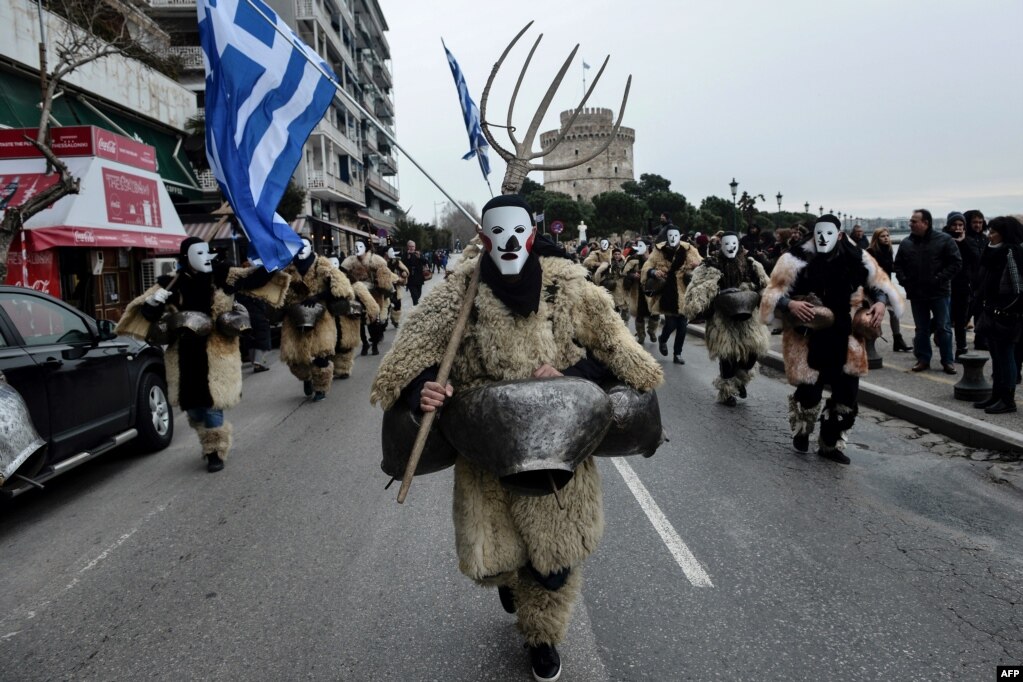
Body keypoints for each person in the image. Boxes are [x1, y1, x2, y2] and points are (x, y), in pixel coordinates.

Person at [370, 195, 662, 682]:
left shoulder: (567, 286)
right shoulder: (457, 292)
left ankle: (543, 637)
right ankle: (511, 582)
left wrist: (571, 371)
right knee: (497, 558)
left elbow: (617, 352)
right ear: (483, 239)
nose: (507, 241)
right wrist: (426, 388)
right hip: (486, 447)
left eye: (517, 231)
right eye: (496, 233)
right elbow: (409, 357)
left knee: (554, 561)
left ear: (530, 235)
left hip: (558, 446)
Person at [117, 237, 288, 472]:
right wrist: (154, 303)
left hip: (217, 351)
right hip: (186, 354)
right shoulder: (171, 284)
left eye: (207, 252)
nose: (205, 257)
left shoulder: (223, 275)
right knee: (194, 408)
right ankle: (207, 436)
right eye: (199, 253)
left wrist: (272, 262)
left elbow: (254, 278)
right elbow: (148, 316)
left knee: (212, 404)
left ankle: (215, 450)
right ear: (186, 258)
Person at [760, 215, 904, 465]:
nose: (823, 238)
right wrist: (790, 303)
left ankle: (830, 443)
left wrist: (880, 302)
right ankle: (802, 430)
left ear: (839, 235)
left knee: (847, 394)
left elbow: (877, 284)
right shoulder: (794, 260)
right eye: (819, 233)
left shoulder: (858, 258)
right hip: (807, 336)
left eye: (830, 234)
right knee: (810, 393)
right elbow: (772, 294)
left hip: (846, 336)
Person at [682, 232, 770, 406]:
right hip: (722, 317)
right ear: (720, 245)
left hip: (748, 317)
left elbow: (765, 286)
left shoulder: (751, 265)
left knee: (751, 353)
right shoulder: (710, 265)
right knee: (727, 354)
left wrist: (755, 293)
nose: (730, 247)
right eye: (726, 243)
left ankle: (739, 381)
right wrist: (711, 292)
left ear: (738, 245)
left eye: (733, 243)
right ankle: (727, 392)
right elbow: (695, 290)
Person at [280, 238, 355, 401]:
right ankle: (307, 377)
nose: (300, 249)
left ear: (311, 247)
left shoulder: (322, 264)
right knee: (295, 358)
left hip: (321, 316)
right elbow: (280, 293)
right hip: (295, 318)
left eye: (304, 246)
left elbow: (341, 286)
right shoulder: (288, 268)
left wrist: (318, 296)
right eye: (297, 246)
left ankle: (321, 387)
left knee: (321, 354)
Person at [894, 209, 963, 374]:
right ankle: (923, 359)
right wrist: (905, 282)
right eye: (910, 221)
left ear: (925, 223)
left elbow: (955, 263)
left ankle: (947, 361)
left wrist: (939, 278)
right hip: (917, 294)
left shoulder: (944, 240)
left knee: (944, 327)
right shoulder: (906, 243)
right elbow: (898, 265)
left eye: (913, 221)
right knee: (921, 329)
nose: (910, 224)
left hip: (939, 293)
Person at [971, 216, 1023, 414]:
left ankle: (1007, 399)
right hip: (991, 311)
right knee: (997, 357)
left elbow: (1018, 288)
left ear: (1004, 233)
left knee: (1007, 357)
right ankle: (996, 394)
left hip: (1006, 314)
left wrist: (1007, 309)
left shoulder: (1011, 252)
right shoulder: (993, 251)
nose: (989, 235)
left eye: (992, 232)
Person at [642, 225, 703, 365]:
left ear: (679, 235)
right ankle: (663, 339)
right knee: (670, 324)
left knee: (682, 325)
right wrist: (653, 272)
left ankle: (677, 353)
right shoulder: (659, 249)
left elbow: (701, 262)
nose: (673, 238)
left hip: (684, 290)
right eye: (671, 236)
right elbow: (648, 265)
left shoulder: (688, 248)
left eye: (676, 235)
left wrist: (697, 265)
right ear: (667, 237)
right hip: (668, 289)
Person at [342, 239, 394, 355]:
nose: (357, 249)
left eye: (360, 246)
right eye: (355, 246)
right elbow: (343, 272)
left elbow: (384, 271)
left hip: (373, 294)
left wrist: (380, 281)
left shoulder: (374, 259)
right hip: (357, 293)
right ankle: (365, 343)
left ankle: (374, 344)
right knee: (359, 320)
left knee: (373, 320)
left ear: (366, 248)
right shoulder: (350, 261)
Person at [867, 228, 911, 352]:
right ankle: (870, 344)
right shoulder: (871, 251)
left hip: (887, 285)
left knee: (894, 312)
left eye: (887, 235)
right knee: (875, 316)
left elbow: (889, 266)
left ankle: (897, 340)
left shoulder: (888, 249)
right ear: (876, 238)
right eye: (882, 236)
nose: (886, 238)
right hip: (875, 287)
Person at [944, 212, 978, 358]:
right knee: (945, 318)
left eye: (960, 225)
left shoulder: (968, 241)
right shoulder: (943, 240)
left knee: (961, 319)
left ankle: (961, 348)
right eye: (955, 225)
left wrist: (963, 242)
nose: (957, 228)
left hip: (963, 285)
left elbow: (975, 260)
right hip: (946, 285)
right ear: (949, 225)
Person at [623, 239, 659, 345]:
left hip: (651, 290)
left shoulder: (655, 259)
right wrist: (633, 275)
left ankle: (652, 331)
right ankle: (641, 335)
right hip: (638, 291)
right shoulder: (633, 259)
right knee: (639, 315)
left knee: (655, 313)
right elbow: (625, 273)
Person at [963, 210, 990, 350]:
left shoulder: (986, 239)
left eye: (980, 222)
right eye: (975, 222)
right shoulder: (964, 239)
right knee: (964, 313)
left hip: (982, 281)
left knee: (980, 311)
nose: (978, 225)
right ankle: (938, 331)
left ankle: (980, 340)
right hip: (968, 281)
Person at [385, 247, 410, 328]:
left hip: (395, 285)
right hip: (385, 286)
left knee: (397, 303)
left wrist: (404, 273)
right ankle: (384, 321)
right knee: (386, 305)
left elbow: (404, 269)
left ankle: (396, 320)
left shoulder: (396, 261)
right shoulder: (382, 262)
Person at [402, 240, 426, 305]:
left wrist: (420, 257)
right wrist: (407, 258)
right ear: (408, 247)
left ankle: (416, 304)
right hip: (410, 279)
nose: (412, 248)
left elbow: (426, 262)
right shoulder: (405, 254)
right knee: (414, 296)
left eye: (413, 246)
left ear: (415, 247)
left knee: (419, 294)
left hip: (419, 277)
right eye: (410, 246)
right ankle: (415, 308)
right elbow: (402, 264)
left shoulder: (418, 253)